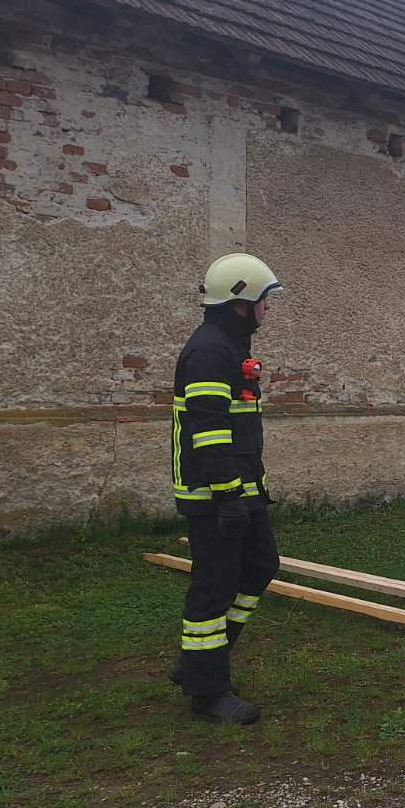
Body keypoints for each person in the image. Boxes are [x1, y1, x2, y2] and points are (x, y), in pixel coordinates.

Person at [168, 253, 283, 725]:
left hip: (239, 488)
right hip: (216, 494)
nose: (267, 309)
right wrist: (228, 494)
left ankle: (199, 664)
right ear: (242, 301)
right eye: (263, 300)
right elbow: (209, 429)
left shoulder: (230, 347)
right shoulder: (210, 351)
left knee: (259, 566)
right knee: (213, 588)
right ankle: (207, 692)